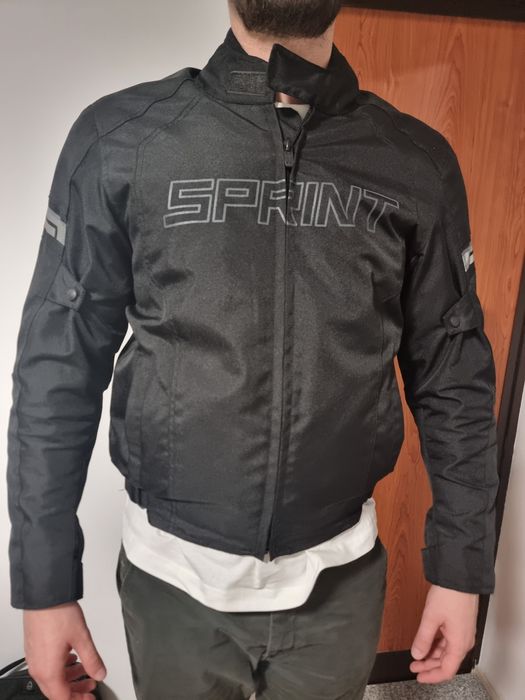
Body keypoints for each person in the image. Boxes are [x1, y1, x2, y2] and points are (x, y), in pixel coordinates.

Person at [6, 0, 499, 698]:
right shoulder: (122, 140)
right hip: (171, 585)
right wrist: (45, 585)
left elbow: (453, 376)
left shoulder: (414, 163)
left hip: (338, 583)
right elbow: (59, 366)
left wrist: (460, 569)